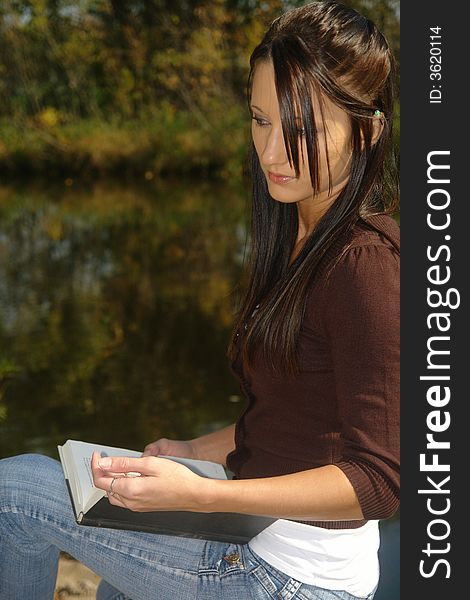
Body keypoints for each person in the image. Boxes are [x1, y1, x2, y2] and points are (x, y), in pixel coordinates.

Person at [0, 1, 399, 599]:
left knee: (15, 494)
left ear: (365, 131)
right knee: (115, 582)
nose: (270, 153)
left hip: (295, 579)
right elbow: (295, 419)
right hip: (256, 538)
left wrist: (203, 493)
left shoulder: (365, 265)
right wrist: (193, 451)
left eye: (301, 129)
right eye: (261, 120)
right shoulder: (299, 236)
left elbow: (380, 480)